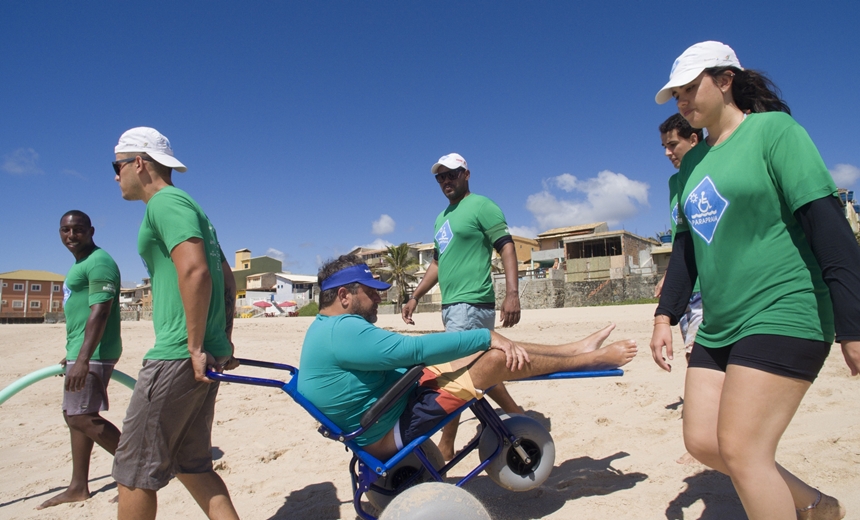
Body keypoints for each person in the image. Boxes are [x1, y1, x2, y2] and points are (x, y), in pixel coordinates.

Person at [650, 41, 860, 519]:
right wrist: (666, 316)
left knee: (744, 450)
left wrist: (854, 324)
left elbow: (827, 225)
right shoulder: (690, 169)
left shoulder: (774, 132)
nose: (682, 101)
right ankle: (816, 506)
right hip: (721, 322)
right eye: (676, 94)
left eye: (689, 89)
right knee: (705, 442)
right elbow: (686, 251)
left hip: (785, 308)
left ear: (725, 81)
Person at [298, 255, 638, 460]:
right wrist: (487, 334)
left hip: (388, 409)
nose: (377, 298)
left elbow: (396, 360)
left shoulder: (326, 327)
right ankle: (587, 360)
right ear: (344, 295)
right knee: (492, 359)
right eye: (370, 292)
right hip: (384, 431)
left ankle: (573, 349)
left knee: (478, 353)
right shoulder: (342, 330)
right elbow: (411, 350)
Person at [110, 127, 240, 520]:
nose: (115, 176)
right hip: (201, 354)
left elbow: (197, 272)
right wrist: (221, 343)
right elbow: (227, 281)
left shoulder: (164, 203)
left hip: (177, 354)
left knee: (132, 471)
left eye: (116, 166)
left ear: (139, 162)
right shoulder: (194, 208)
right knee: (191, 464)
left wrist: (196, 345)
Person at [401, 153, 524, 460]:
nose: (446, 181)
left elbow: (506, 246)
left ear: (466, 174)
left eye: (452, 174)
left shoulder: (481, 205)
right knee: (477, 369)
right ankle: (517, 417)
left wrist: (512, 293)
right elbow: (437, 263)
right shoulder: (441, 218)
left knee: (456, 376)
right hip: (453, 306)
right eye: (440, 177)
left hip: (471, 303)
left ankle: (447, 443)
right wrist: (415, 296)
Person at [38, 210, 123, 509]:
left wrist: (84, 358)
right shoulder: (82, 263)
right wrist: (74, 353)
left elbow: (101, 311)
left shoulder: (99, 262)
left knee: (81, 417)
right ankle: (78, 486)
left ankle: (136, 471)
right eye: (65, 230)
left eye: (78, 230)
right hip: (82, 351)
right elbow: (82, 312)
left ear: (91, 231)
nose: (71, 236)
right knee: (75, 418)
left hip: (95, 353)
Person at [654, 113, 704, 362]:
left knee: (699, 355)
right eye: (664, 146)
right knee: (692, 356)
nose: (667, 152)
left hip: (708, 286)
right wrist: (670, 275)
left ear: (694, 139)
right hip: (687, 290)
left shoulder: (710, 173)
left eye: (672, 144)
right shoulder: (675, 182)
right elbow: (682, 239)